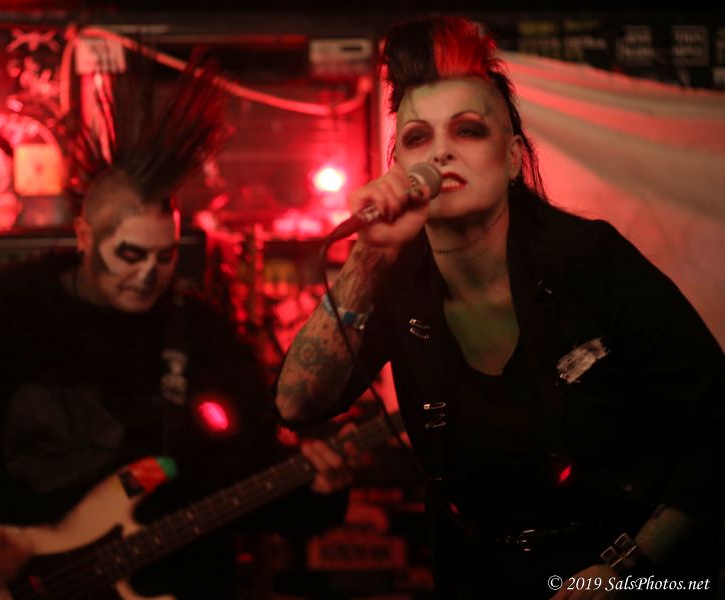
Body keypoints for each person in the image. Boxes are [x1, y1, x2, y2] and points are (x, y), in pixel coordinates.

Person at [276, 16, 724, 599]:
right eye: (417, 138)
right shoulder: (398, 280)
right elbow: (296, 403)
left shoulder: (587, 260)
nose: (440, 152)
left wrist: (631, 568)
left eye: (467, 130)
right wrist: (370, 255)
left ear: (512, 158)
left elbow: (717, 422)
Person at [0, 49, 352, 600]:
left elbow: (243, 472)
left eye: (165, 256)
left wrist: (318, 489)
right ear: (85, 237)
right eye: (130, 254)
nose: (148, 274)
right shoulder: (3, 317)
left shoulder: (198, 334)